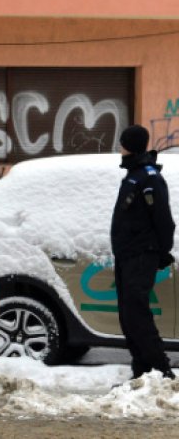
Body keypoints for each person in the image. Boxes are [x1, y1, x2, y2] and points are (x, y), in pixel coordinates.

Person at [112, 124, 176, 380]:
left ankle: (161, 370)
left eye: (122, 142)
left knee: (137, 313)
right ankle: (141, 371)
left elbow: (163, 219)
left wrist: (161, 251)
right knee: (128, 315)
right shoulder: (134, 175)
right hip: (127, 256)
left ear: (129, 145)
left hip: (141, 255)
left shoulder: (148, 178)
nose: (119, 147)